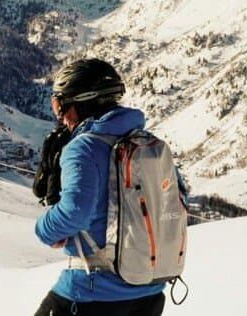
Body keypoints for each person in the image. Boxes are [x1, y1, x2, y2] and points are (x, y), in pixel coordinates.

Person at [32, 58, 169, 316]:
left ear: (75, 105)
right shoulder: (151, 144)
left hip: (90, 295)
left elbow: (74, 213)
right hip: (148, 294)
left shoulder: (83, 147)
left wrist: (43, 229)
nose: (61, 118)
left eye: (60, 106)